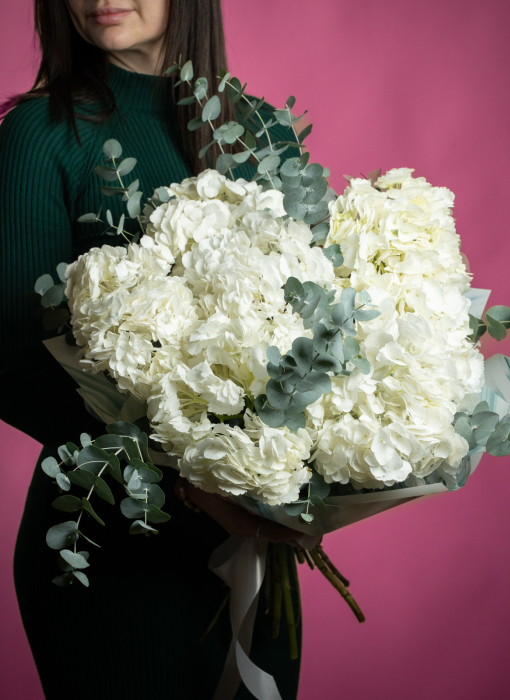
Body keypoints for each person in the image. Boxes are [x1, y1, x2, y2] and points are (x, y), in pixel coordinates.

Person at [0, 2, 303, 698]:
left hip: (256, 547)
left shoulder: (265, 135)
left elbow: (310, 323)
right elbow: (12, 363)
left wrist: (312, 471)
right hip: (105, 541)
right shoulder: (43, 133)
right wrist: (192, 480)